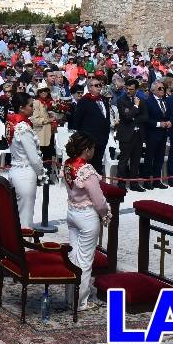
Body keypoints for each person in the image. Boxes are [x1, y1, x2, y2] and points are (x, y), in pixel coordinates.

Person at [63, 131, 109, 312]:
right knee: (84, 260)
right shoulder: (86, 171)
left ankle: (69, 297)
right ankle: (80, 301)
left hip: (72, 212)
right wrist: (106, 213)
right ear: (87, 150)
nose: (94, 152)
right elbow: (98, 200)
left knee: (73, 256)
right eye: (93, 149)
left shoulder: (68, 165)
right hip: (87, 217)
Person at [5, 92, 44, 226]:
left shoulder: (12, 122)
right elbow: (33, 158)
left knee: (16, 215)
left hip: (15, 168)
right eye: (31, 105)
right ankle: (25, 246)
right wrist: (42, 174)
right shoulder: (23, 127)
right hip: (25, 171)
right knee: (25, 218)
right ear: (21, 108)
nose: (33, 108)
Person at [68, 76, 111, 174]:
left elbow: (106, 118)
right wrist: (84, 137)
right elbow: (77, 120)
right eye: (96, 85)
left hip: (103, 137)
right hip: (89, 139)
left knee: (98, 163)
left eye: (100, 85)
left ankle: (98, 185)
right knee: (88, 164)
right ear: (90, 87)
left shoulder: (104, 100)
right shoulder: (84, 101)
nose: (99, 87)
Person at [113, 79, 146, 190]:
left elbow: (145, 117)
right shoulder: (121, 100)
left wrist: (133, 116)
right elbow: (126, 117)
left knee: (136, 160)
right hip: (126, 134)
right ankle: (121, 184)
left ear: (136, 89)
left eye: (131, 89)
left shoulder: (142, 99)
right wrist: (136, 107)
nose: (128, 91)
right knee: (124, 159)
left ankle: (134, 184)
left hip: (138, 134)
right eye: (126, 88)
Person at [144, 81, 173, 188]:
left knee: (159, 158)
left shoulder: (166, 101)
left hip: (164, 133)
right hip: (152, 133)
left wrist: (170, 121)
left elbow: (170, 115)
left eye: (163, 88)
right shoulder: (148, 102)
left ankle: (157, 180)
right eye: (160, 88)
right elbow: (146, 119)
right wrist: (158, 124)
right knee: (149, 158)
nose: (162, 90)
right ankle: (147, 181)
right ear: (153, 90)